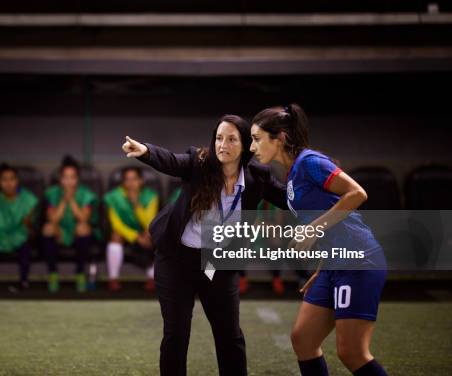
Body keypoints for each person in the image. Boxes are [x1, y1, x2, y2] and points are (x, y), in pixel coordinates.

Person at [122, 114, 287, 376]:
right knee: (176, 335)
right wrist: (145, 151)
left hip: (218, 262)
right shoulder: (199, 163)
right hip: (177, 261)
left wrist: (329, 195)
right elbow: (173, 161)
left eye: (232, 139)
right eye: (219, 138)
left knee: (229, 337)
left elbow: (289, 198)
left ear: (244, 145)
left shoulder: (258, 176)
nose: (223, 145)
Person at [250, 103, 388, 376]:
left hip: (358, 260)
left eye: (256, 139)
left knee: (352, 353)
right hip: (333, 265)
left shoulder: (310, 162)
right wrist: (323, 266)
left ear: (280, 138)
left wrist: (312, 229)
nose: (252, 147)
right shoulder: (292, 174)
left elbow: (357, 193)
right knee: (303, 340)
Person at [41, 156, 100, 293]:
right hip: (60, 231)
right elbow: (53, 220)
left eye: (72, 177)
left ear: (77, 179)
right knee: (48, 228)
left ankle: (80, 273)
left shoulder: (86, 194)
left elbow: (83, 219)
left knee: (82, 228)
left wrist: (71, 199)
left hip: (78, 232)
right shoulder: (52, 193)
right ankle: (53, 274)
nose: (68, 181)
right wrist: (63, 200)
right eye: (65, 177)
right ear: (60, 179)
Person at [0, 162, 39, 293]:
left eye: (12, 179)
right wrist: (18, 222)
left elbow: (29, 223)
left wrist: (25, 223)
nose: (8, 183)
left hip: (19, 236)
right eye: (4, 180)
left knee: (26, 246)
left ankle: (23, 281)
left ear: (17, 180)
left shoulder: (28, 199)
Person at [104, 166, 159, 292]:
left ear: (141, 181)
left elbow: (150, 223)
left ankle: (152, 278)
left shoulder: (151, 196)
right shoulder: (114, 197)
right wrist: (135, 237)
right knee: (115, 236)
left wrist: (136, 205)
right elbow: (116, 224)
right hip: (125, 233)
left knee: (153, 235)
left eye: (134, 179)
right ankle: (113, 279)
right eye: (127, 180)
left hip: (145, 233)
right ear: (123, 183)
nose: (131, 183)